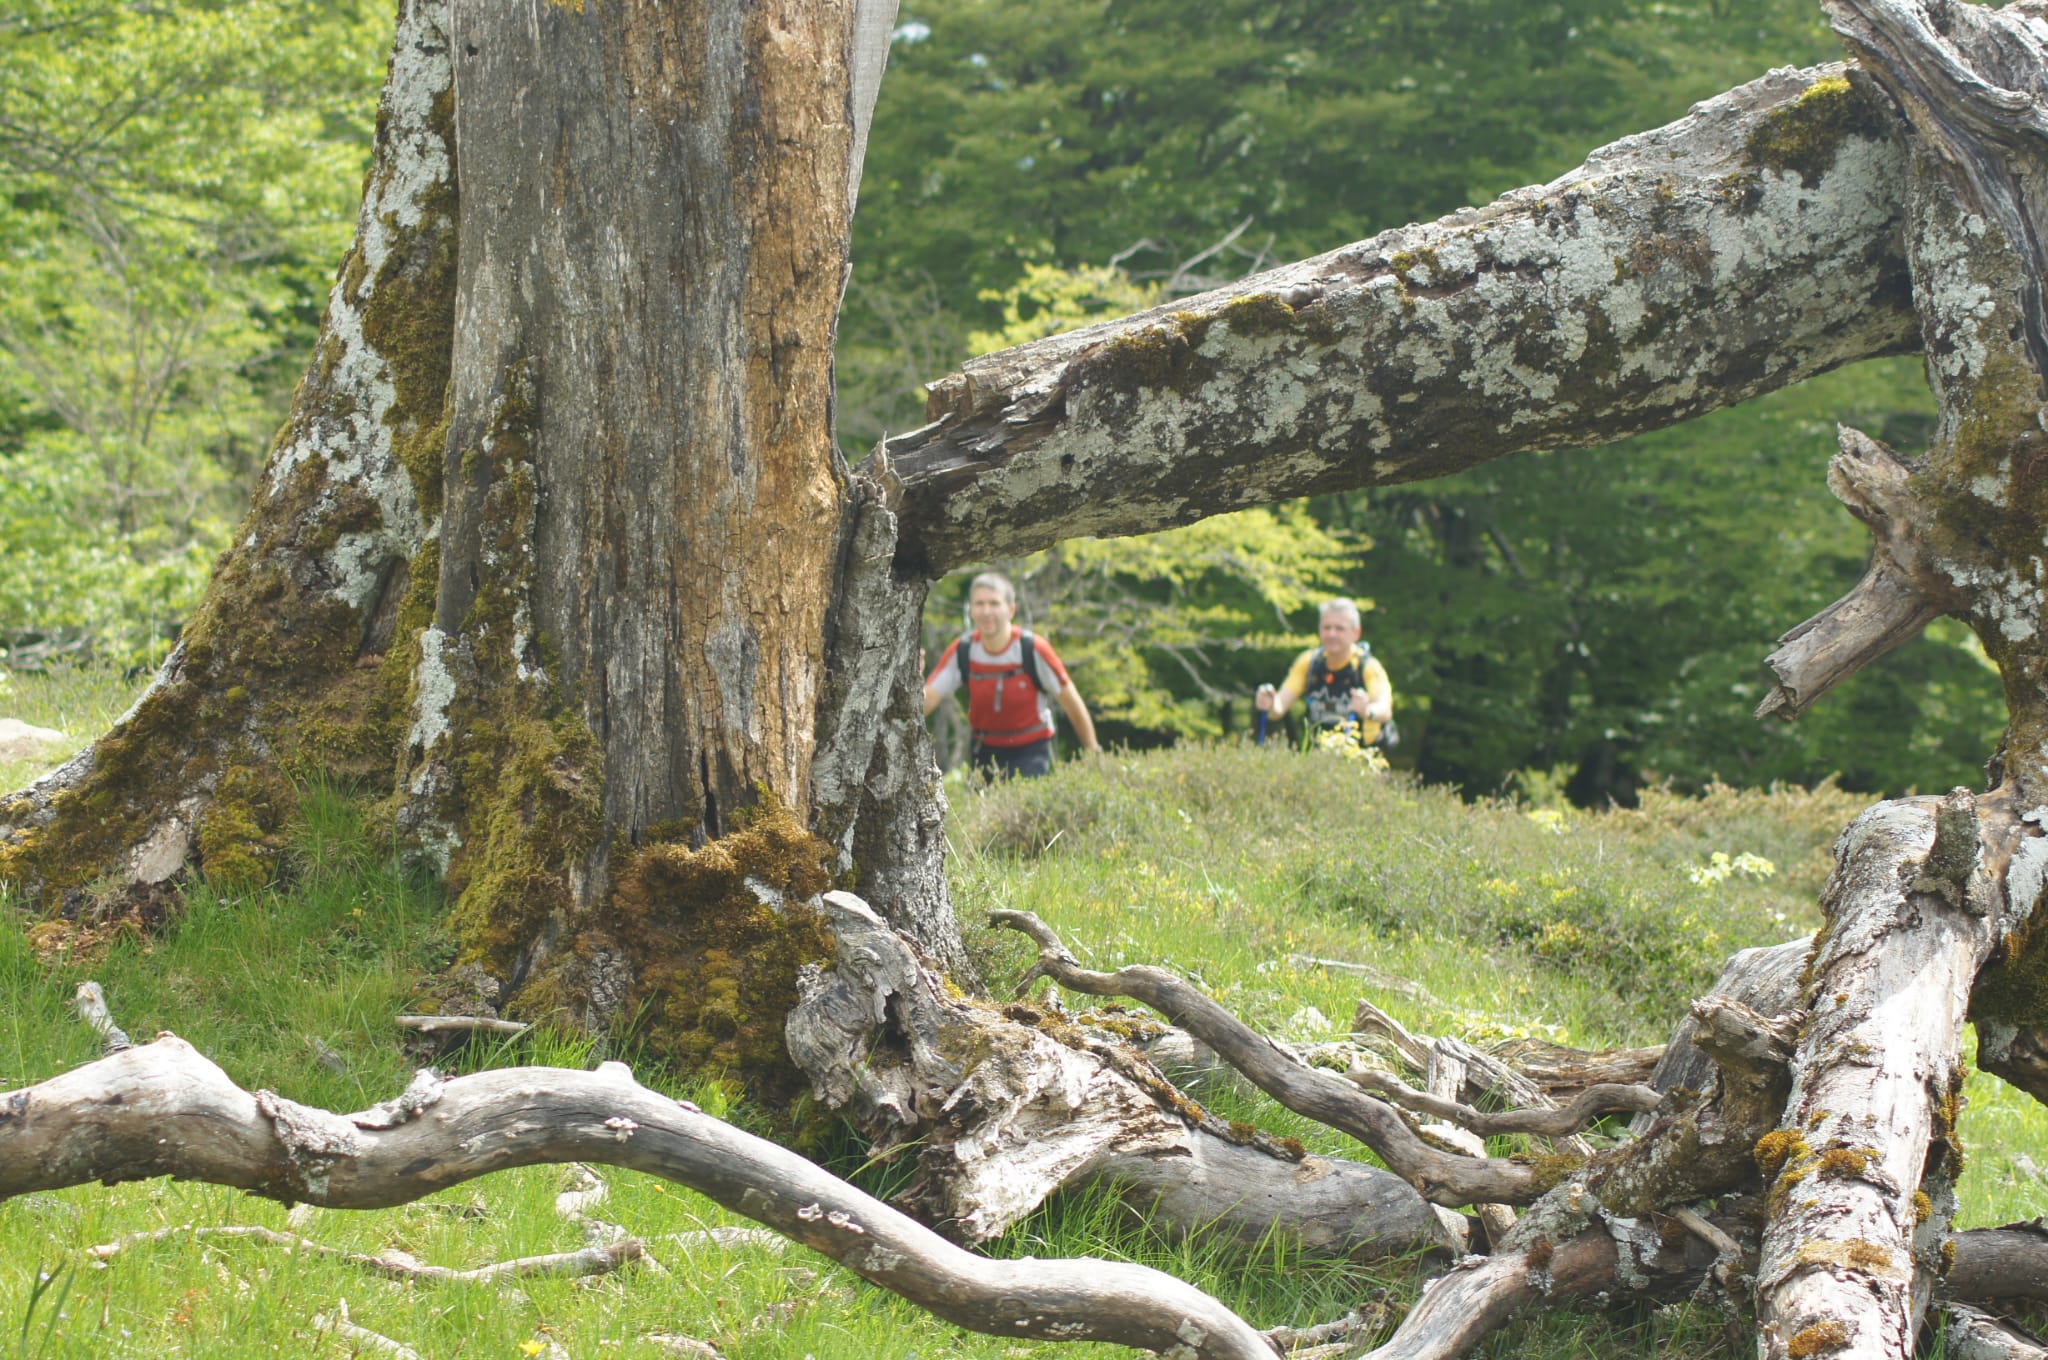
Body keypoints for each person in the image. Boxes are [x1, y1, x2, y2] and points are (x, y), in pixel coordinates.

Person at [923, 572, 1099, 778]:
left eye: (994, 603)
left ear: (1011, 610)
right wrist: (911, 685)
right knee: (983, 810)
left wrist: (1093, 753)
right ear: (971, 610)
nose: (986, 611)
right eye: (979, 604)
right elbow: (930, 698)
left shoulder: (1032, 649)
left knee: (1024, 808)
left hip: (1031, 750)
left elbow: (1071, 702)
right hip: (983, 751)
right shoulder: (963, 650)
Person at [1255, 597, 1396, 747]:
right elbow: (1279, 708)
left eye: (1340, 628)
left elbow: (1385, 710)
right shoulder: (1309, 662)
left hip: (1362, 752)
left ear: (1356, 633)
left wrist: (1367, 710)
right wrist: (1269, 703)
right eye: (1326, 628)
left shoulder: (1367, 666)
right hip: (1319, 751)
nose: (1332, 634)